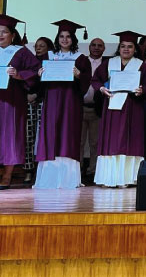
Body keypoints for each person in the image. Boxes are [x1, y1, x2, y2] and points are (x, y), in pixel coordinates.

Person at [33, 20, 92, 189]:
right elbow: (38, 83)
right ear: (57, 38)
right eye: (61, 36)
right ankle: (47, 179)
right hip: (51, 101)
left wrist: (79, 75)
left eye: (68, 37)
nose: (64, 40)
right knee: (50, 134)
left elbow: (86, 82)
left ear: (73, 39)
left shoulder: (80, 59)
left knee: (68, 134)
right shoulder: (48, 57)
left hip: (70, 102)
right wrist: (39, 74)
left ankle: (68, 179)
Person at [92, 31, 146, 187]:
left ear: (135, 49)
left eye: (130, 47)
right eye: (123, 46)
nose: (126, 49)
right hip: (112, 106)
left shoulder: (142, 65)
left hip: (133, 107)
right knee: (112, 140)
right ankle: (109, 177)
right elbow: (96, 79)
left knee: (130, 140)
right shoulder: (109, 63)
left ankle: (128, 178)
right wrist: (101, 89)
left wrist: (142, 90)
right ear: (119, 48)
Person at [0, 14, 40, 190]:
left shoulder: (21, 52)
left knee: (10, 136)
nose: (0, 35)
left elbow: (36, 69)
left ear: (13, 35)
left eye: (4, 32)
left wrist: (19, 75)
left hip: (12, 102)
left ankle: (7, 176)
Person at [24, 37, 54, 182]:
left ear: (49, 47)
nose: (38, 48)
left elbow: (48, 84)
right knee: (29, 137)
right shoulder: (30, 62)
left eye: (42, 46)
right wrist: (28, 94)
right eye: (36, 46)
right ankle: (29, 169)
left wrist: (37, 94)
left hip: (45, 102)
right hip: (29, 103)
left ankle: (43, 169)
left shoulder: (52, 62)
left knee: (42, 136)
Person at [80, 37, 105, 180]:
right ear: (89, 47)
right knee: (79, 141)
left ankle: (93, 170)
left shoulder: (107, 64)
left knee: (95, 142)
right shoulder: (82, 62)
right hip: (80, 107)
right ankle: (79, 168)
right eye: (94, 45)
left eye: (100, 46)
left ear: (104, 49)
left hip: (97, 108)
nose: (96, 48)